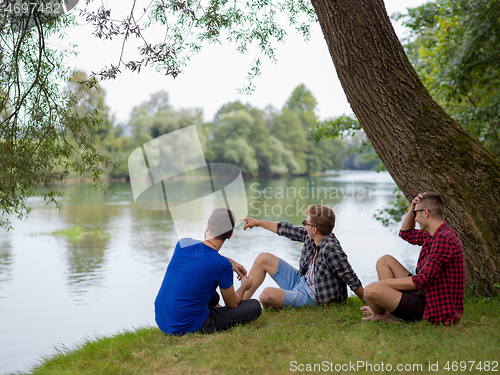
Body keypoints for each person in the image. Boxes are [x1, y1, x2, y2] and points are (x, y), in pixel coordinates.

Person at [361, 192, 466, 325]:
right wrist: (413, 207)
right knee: (385, 261)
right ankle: (387, 312)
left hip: (432, 306)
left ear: (426, 212)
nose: (414, 219)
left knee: (371, 290)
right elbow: (406, 233)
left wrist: (383, 284)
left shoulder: (443, 239)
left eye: (415, 214)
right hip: (425, 294)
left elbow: (422, 280)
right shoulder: (434, 235)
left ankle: (385, 312)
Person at [155, 208, 261, 335]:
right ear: (230, 235)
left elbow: (203, 254)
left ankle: (215, 309)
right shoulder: (222, 265)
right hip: (187, 326)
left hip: (162, 319)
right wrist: (244, 286)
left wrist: (231, 262)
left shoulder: (183, 244)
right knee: (255, 306)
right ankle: (215, 314)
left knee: (208, 289)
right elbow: (232, 304)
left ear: (207, 227)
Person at [240, 204, 364, 309]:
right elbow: (286, 230)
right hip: (302, 281)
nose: (304, 225)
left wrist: (370, 305)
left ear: (314, 229)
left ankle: (281, 305)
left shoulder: (331, 249)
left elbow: (351, 278)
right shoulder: (312, 237)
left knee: (266, 295)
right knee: (263, 258)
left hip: (314, 297)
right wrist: (257, 222)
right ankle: (239, 306)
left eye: (306, 223)